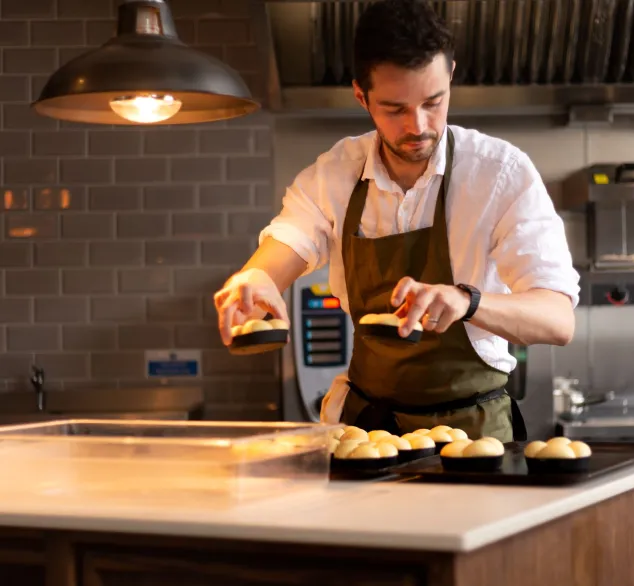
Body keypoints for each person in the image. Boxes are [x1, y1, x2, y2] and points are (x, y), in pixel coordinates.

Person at [213, 0, 580, 442]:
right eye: (394, 108)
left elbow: (558, 319)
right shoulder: (335, 174)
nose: (419, 125)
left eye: (433, 102)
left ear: (450, 77)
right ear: (361, 96)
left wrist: (468, 302)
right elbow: (287, 243)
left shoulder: (500, 173)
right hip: (368, 430)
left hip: (473, 434)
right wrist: (256, 277)